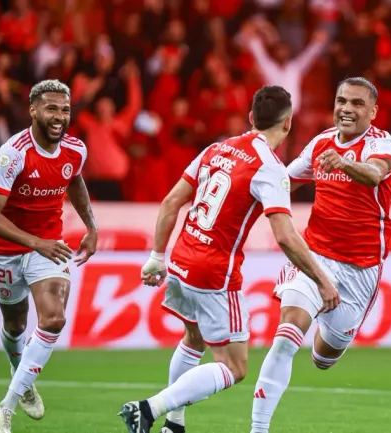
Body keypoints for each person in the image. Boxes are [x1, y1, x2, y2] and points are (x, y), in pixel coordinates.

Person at [118, 85, 338, 433]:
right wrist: (322, 279)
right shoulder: (270, 168)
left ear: (251, 118)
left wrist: (156, 257)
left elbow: (171, 202)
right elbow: (284, 235)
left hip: (181, 259)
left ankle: (174, 424)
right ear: (288, 124)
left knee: (193, 339)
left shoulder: (215, 149)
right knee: (235, 367)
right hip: (214, 272)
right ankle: (149, 408)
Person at [250, 77, 391, 433]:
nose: (346, 108)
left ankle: (327, 339)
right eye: (341, 100)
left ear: (373, 112)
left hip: (360, 269)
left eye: (357, 104)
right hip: (314, 256)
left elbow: (375, 175)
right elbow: (284, 181)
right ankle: (258, 429)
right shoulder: (320, 143)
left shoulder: (383, 144)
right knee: (286, 336)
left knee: (324, 359)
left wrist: (344, 163)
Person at [0, 79, 98, 433]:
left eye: (64, 109)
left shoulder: (75, 149)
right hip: (7, 250)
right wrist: (33, 241)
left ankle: (6, 407)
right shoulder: (13, 153)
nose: (59, 116)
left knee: (53, 319)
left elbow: (74, 180)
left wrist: (91, 227)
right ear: (33, 110)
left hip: (50, 245)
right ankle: (23, 375)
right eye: (51, 108)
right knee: (15, 324)